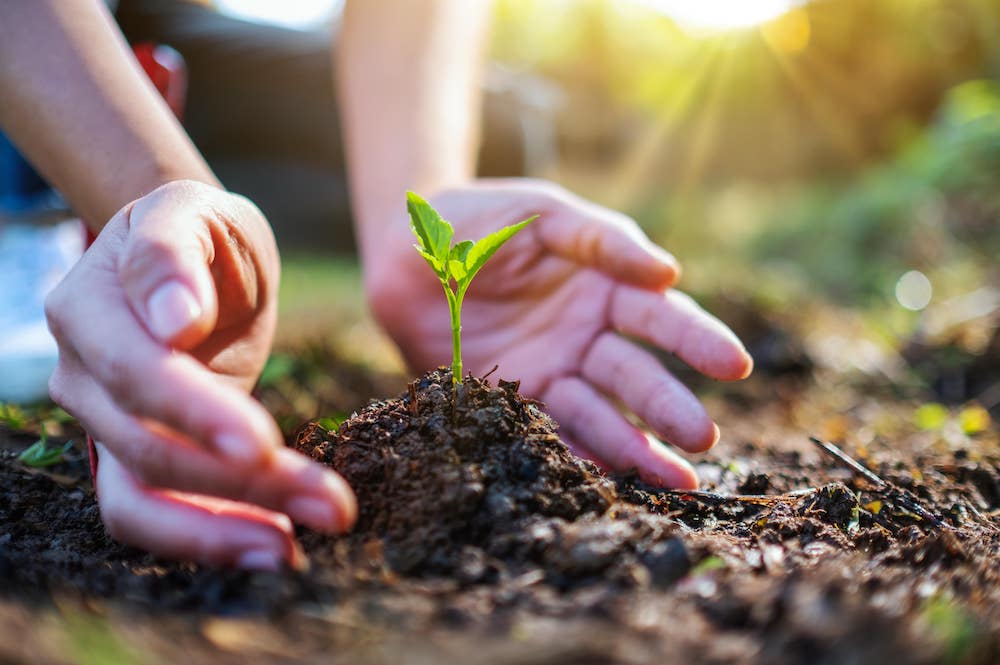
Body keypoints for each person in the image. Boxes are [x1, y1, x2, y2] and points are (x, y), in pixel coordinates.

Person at [0, 0, 753, 571]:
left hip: (159, 25)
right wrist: (146, 187)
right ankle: (38, 207)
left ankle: (109, 190)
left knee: (509, 122)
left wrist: (415, 197)